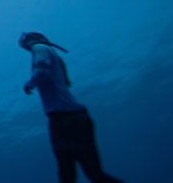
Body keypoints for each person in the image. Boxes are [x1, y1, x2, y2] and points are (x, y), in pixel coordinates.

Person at [20, 32, 124, 183]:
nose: (24, 45)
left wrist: (29, 83)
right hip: (73, 118)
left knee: (68, 175)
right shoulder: (54, 55)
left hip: (65, 120)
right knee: (93, 174)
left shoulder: (39, 47)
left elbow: (42, 69)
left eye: (25, 41)